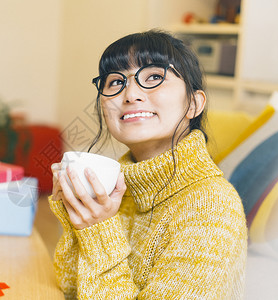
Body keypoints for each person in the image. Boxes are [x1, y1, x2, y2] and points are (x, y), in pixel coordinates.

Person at [50, 29, 248, 299]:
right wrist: (77, 217)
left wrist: (98, 230)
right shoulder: (118, 186)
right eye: (115, 82)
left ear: (193, 103)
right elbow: (69, 286)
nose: (130, 93)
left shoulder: (212, 206)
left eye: (154, 76)